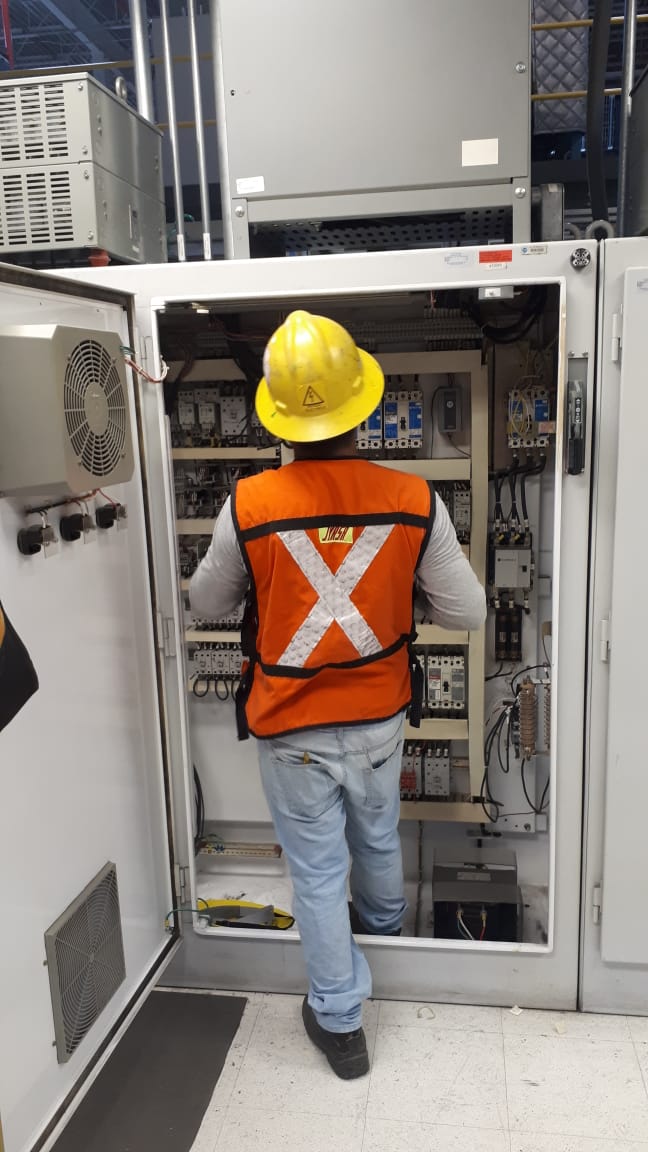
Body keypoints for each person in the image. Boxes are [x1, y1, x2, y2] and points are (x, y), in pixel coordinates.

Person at [190, 311, 486, 1079]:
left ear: (279, 417)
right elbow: (468, 612)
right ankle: (388, 947)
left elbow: (206, 603)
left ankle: (341, 1024)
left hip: (291, 729)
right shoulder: (413, 498)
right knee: (378, 840)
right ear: (362, 407)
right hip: (379, 717)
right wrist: (400, 594)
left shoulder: (249, 504)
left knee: (319, 875)